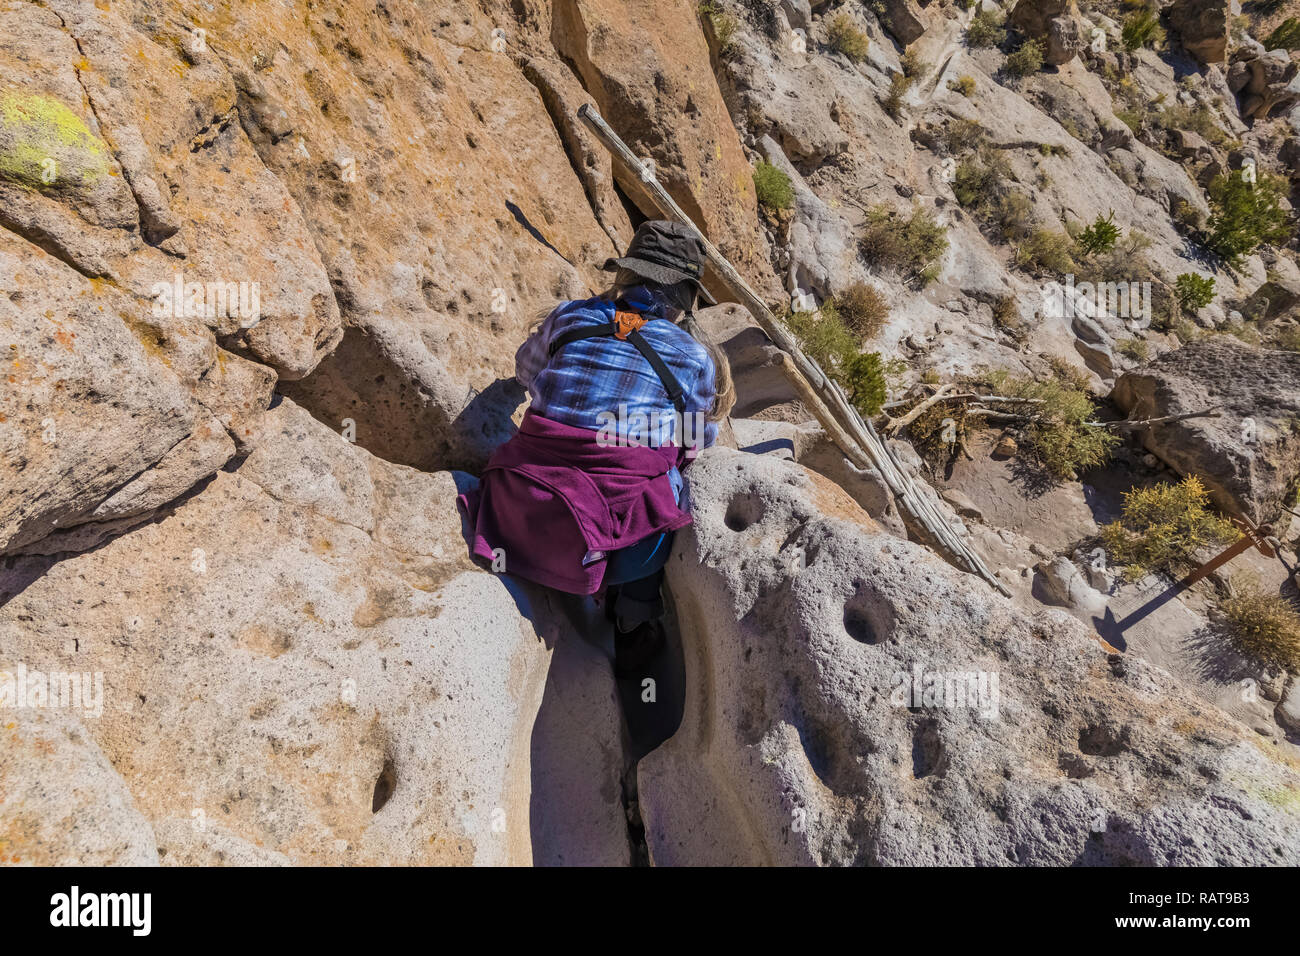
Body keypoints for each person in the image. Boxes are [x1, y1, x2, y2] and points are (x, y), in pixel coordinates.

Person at [458, 220, 734, 684]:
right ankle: (633, 620)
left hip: (518, 507)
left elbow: (526, 373)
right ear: (687, 295)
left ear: (625, 274)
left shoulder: (568, 316)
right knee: (662, 505)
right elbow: (697, 443)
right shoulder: (694, 357)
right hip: (617, 543)